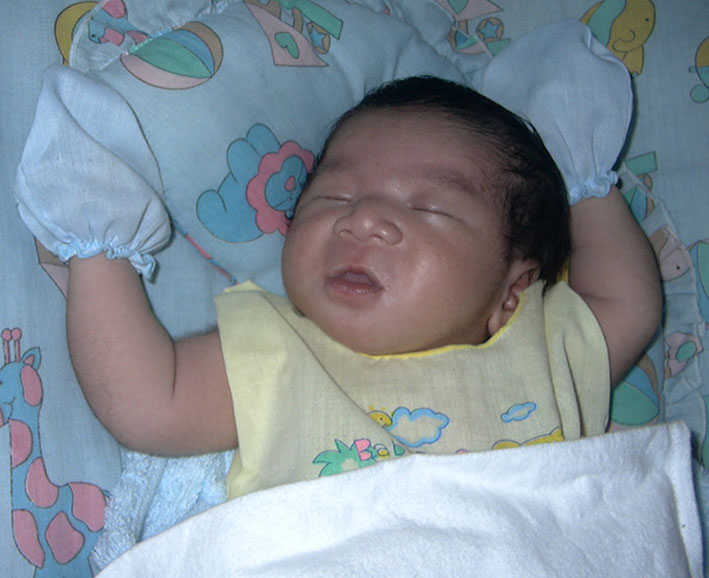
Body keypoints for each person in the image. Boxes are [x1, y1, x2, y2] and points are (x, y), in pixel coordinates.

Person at [16, 75, 661, 500]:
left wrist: (583, 180)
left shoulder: (541, 345)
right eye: (334, 196)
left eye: (429, 207)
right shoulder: (281, 353)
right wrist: (97, 241)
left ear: (511, 292)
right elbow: (148, 403)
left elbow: (628, 301)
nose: (364, 219)